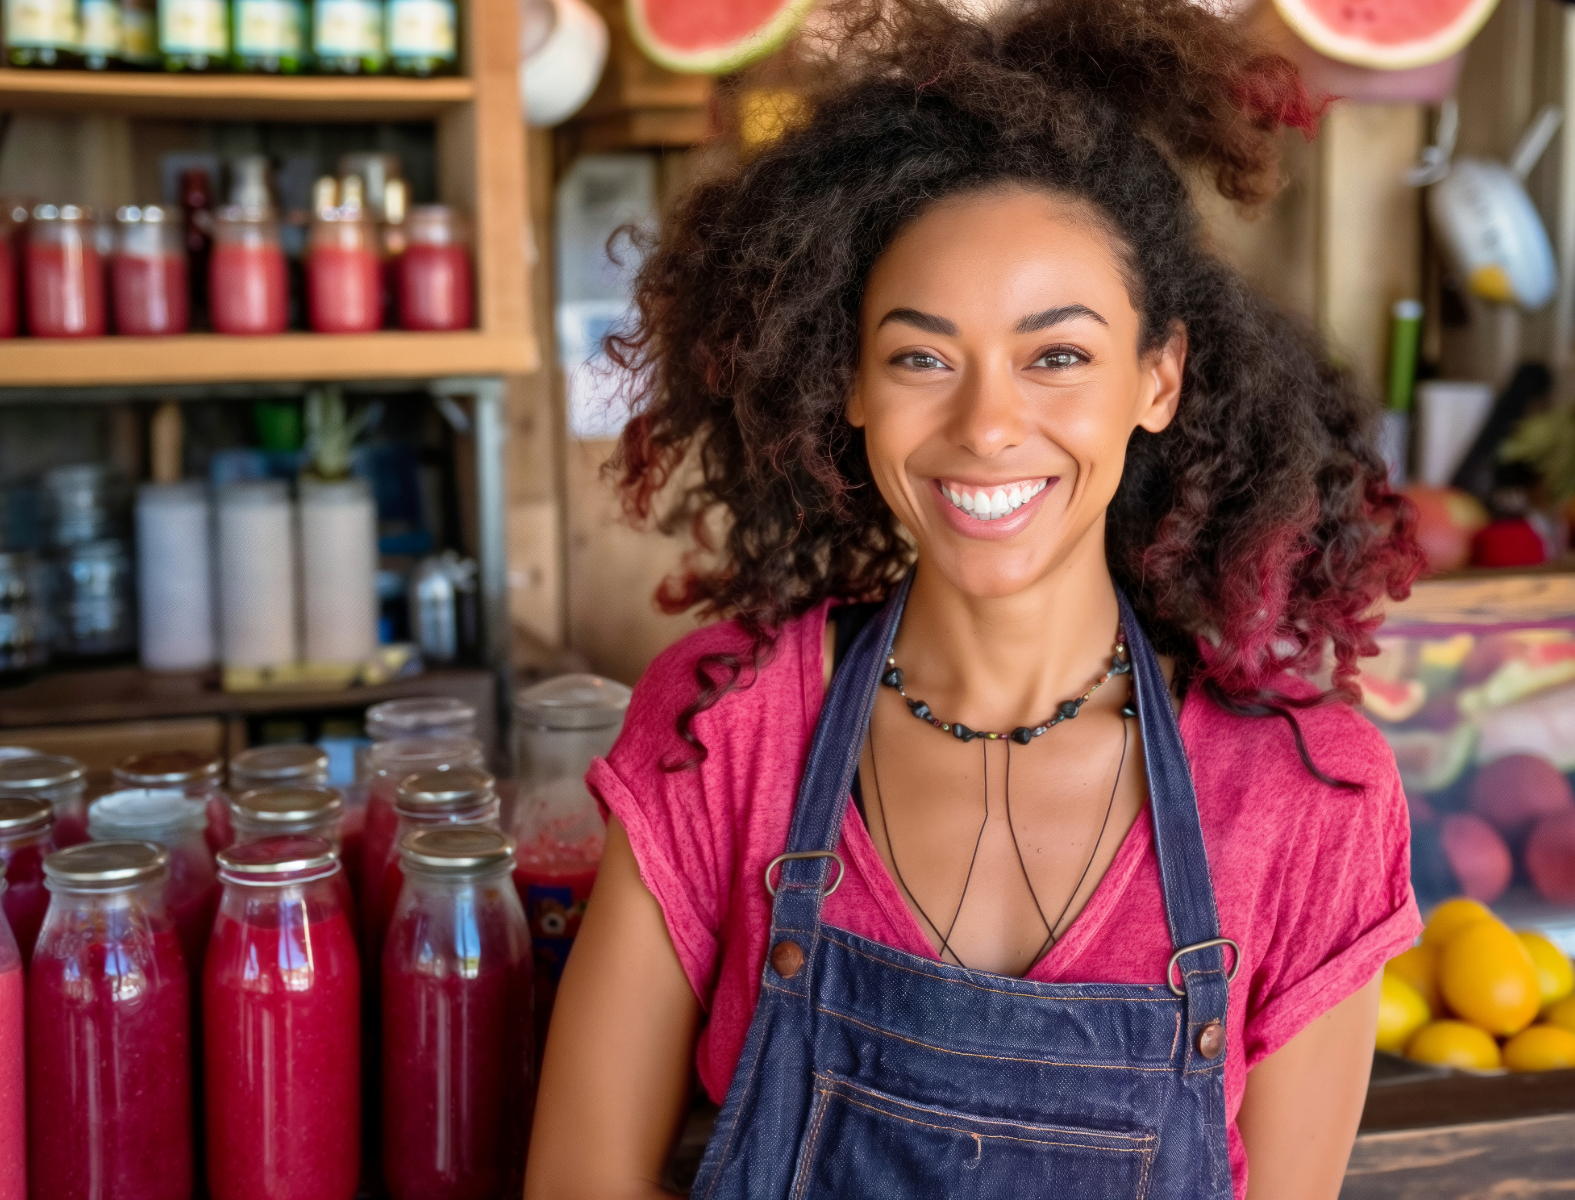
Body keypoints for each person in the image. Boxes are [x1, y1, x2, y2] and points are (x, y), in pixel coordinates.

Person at [526, 0, 1425, 1196]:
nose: (987, 426)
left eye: (1056, 355)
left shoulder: (1306, 802)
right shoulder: (723, 732)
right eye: (920, 357)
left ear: (1155, 380)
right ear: (845, 380)